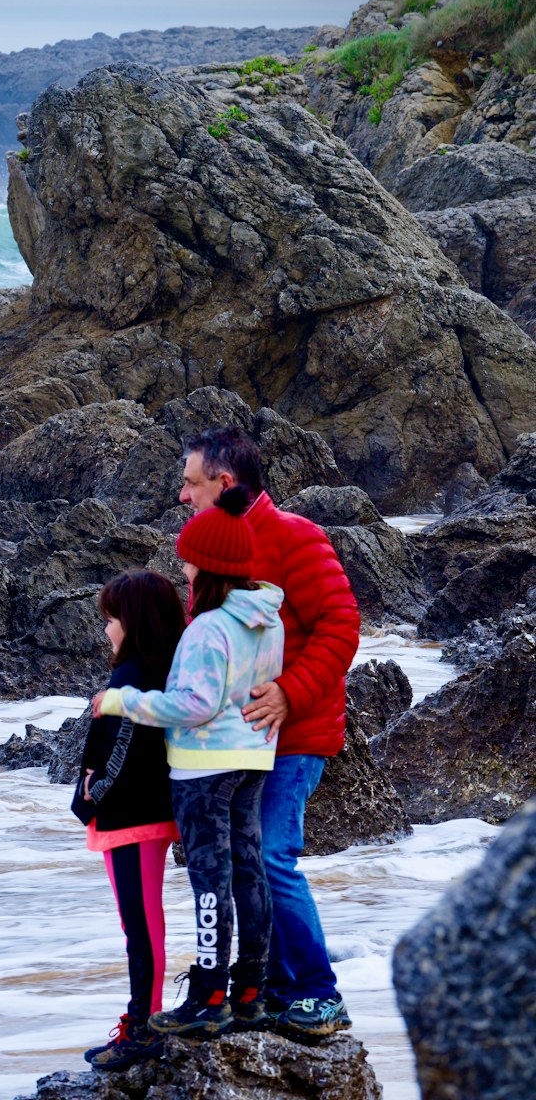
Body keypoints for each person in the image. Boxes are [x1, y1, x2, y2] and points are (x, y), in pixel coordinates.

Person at [178, 426, 361, 1038]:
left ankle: (318, 991)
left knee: (274, 859)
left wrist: (289, 692)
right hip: (236, 744)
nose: (183, 495)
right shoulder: (213, 547)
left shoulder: (294, 536)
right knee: (243, 864)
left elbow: (341, 625)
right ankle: (275, 987)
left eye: (191, 482)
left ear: (224, 483)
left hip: (296, 734)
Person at [92, 488, 285, 1039]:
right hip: (254, 757)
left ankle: (208, 995)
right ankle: (251, 990)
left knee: (210, 880)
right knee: (250, 871)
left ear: (209, 566)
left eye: (188, 559)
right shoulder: (267, 620)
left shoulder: (206, 629)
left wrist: (122, 702)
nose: (183, 567)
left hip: (204, 768)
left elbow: (195, 705)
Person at [73, 571, 187, 1071]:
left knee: (139, 925)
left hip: (133, 816)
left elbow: (121, 752)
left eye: (112, 619)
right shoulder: (158, 671)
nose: (106, 631)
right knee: (142, 924)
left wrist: (92, 796)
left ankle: (143, 1026)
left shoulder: (133, 677)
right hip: (140, 813)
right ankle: (143, 1020)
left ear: (134, 621)